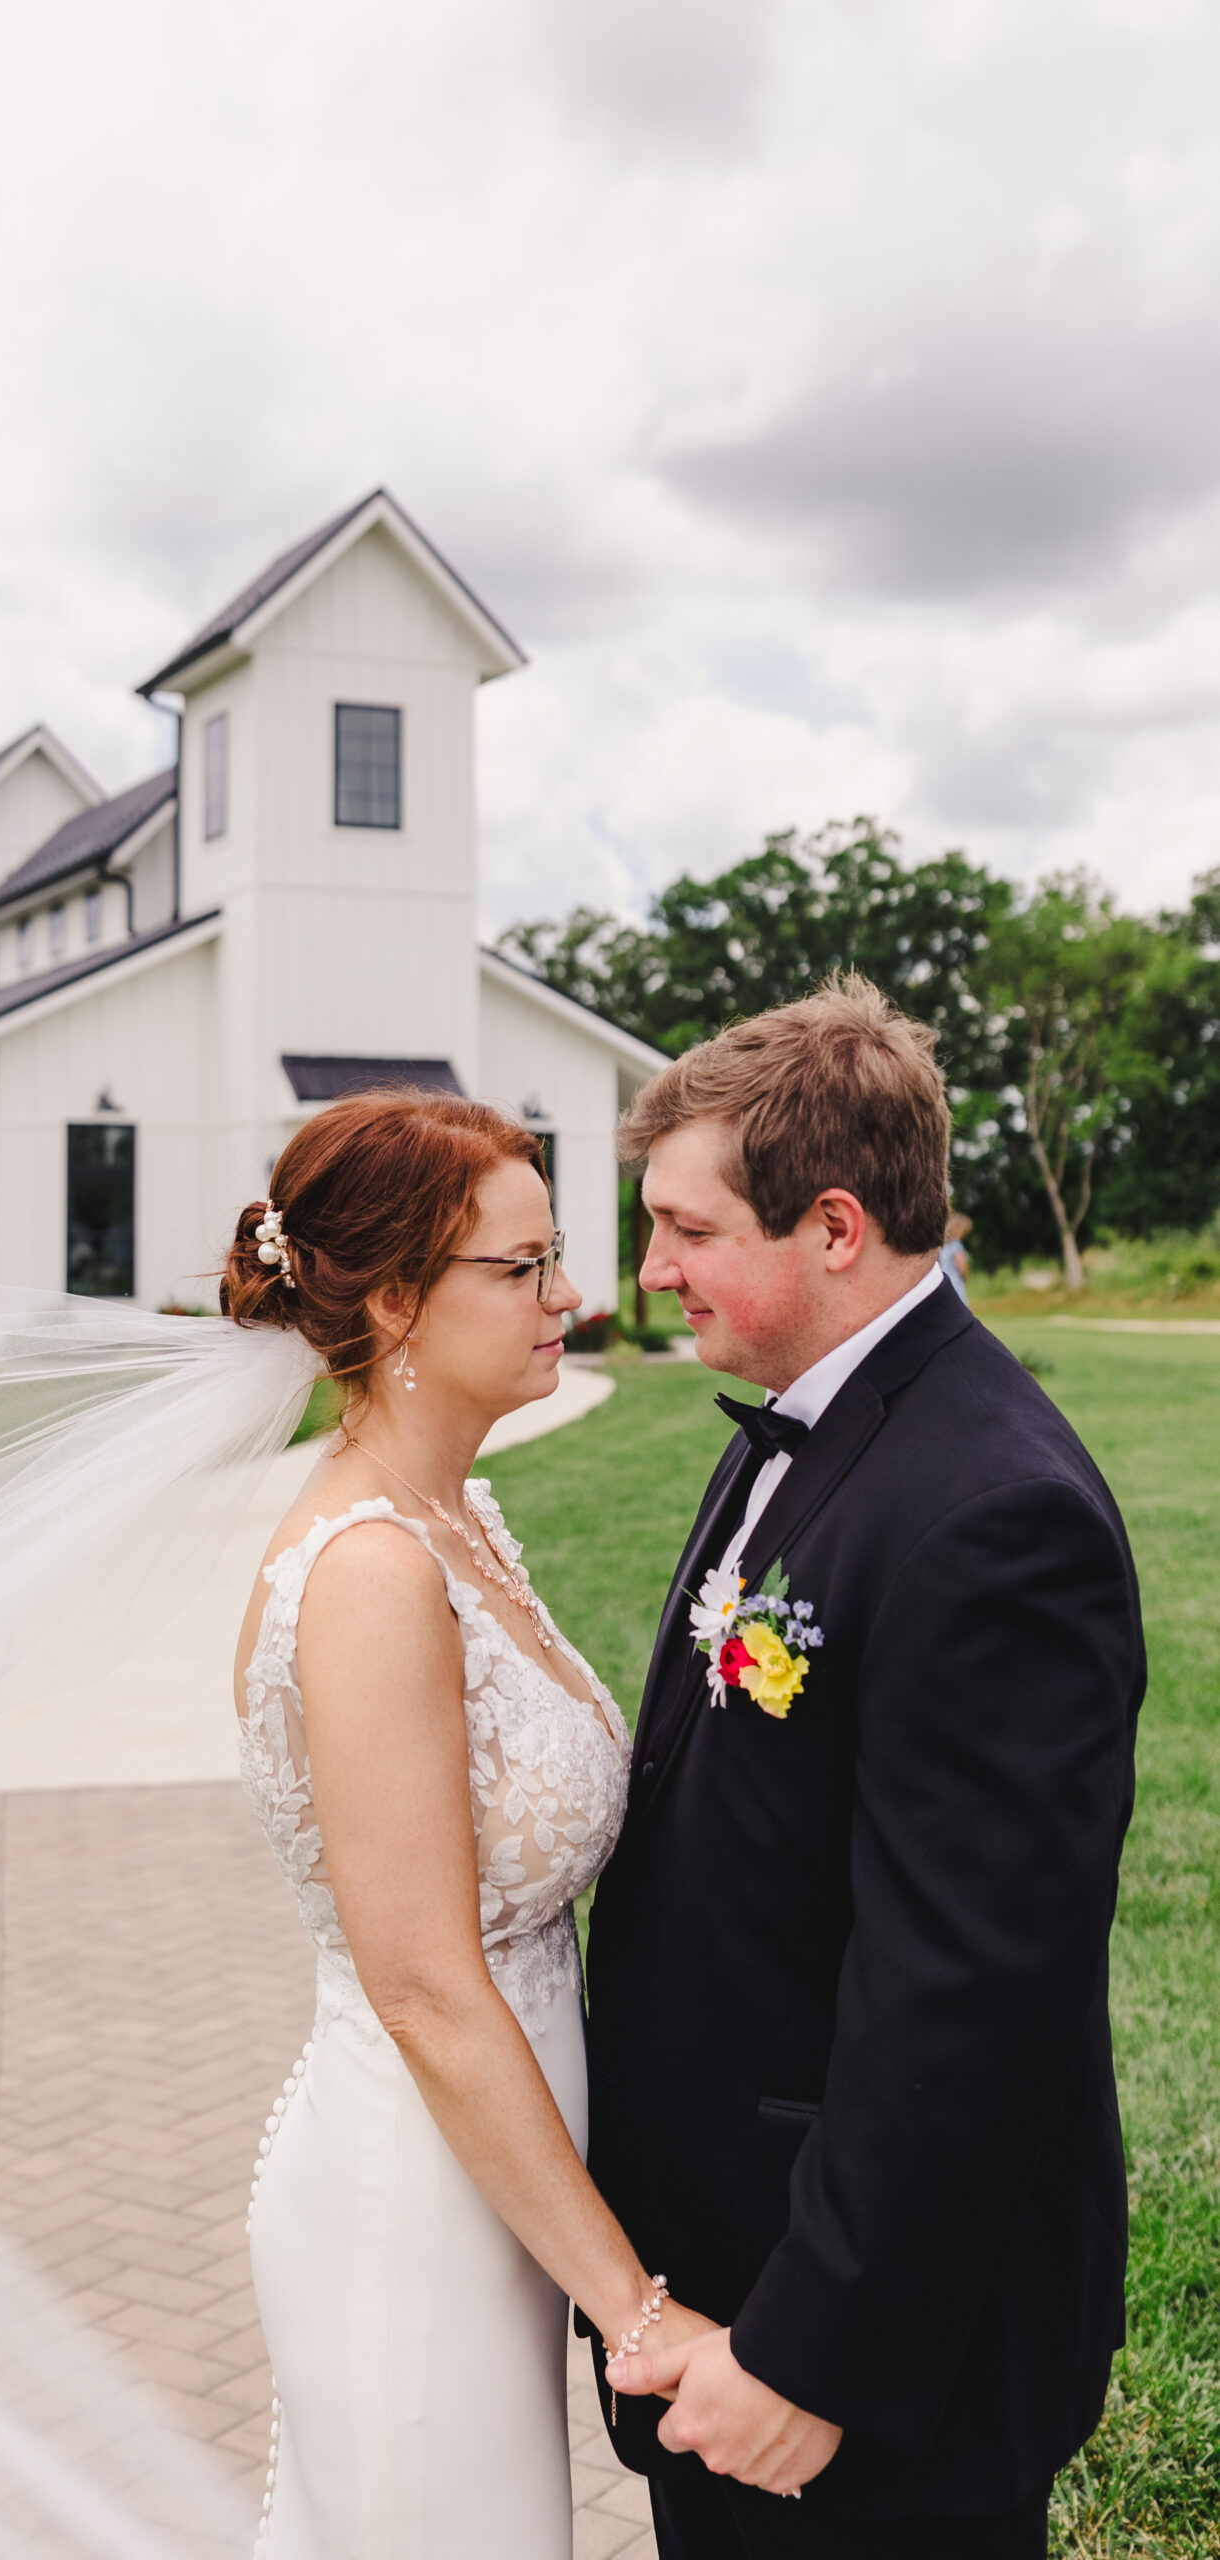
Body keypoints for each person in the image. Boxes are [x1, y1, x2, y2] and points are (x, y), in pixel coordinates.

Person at [586, 976, 1144, 2559]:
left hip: (859, 2364)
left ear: (832, 1229)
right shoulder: (801, 1427)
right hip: (724, 2295)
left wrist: (805, 2351)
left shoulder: (991, 1512)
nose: (651, 1271)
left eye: (687, 1230)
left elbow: (969, 1995)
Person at [223, 1091, 717, 2559]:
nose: (571, 1295)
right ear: (391, 1303)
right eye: (520, 1267)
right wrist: (634, 2309)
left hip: (498, 2195)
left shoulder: (459, 1521)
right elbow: (430, 1992)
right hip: (413, 2211)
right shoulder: (370, 1574)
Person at [938, 1209, 973, 1304]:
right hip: (956, 1282)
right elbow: (961, 1266)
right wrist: (965, 1278)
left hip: (944, 1282)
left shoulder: (943, 1245)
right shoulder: (956, 1245)